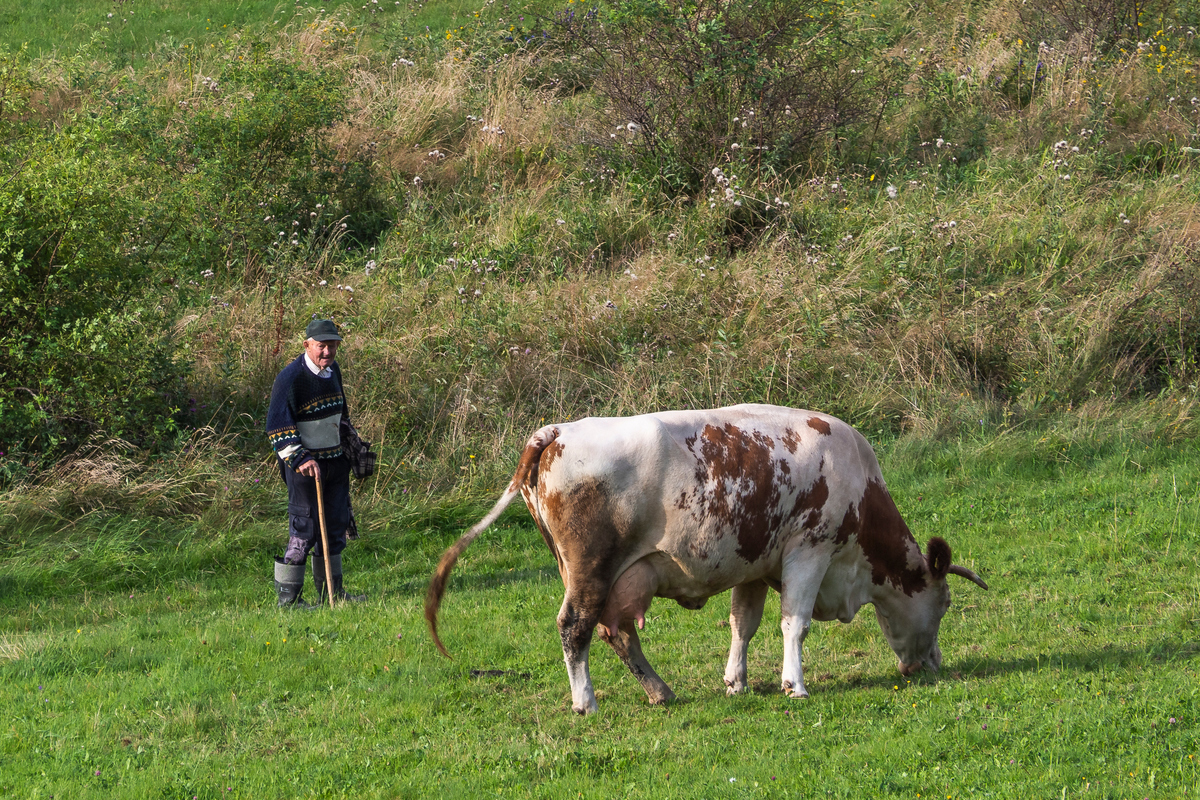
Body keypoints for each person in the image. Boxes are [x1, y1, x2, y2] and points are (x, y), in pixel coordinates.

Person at [266, 318, 367, 608]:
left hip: (336, 462)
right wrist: (299, 457)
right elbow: (276, 425)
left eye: (332, 346)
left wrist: (351, 443)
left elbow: (341, 412)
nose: (327, 352)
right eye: (322, 346)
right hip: (305, 468)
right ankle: (289, 600)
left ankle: (332, 594)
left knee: (334, 527)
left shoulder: (333, 370)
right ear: (307, 345)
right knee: (304, 530)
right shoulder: (290, 378)